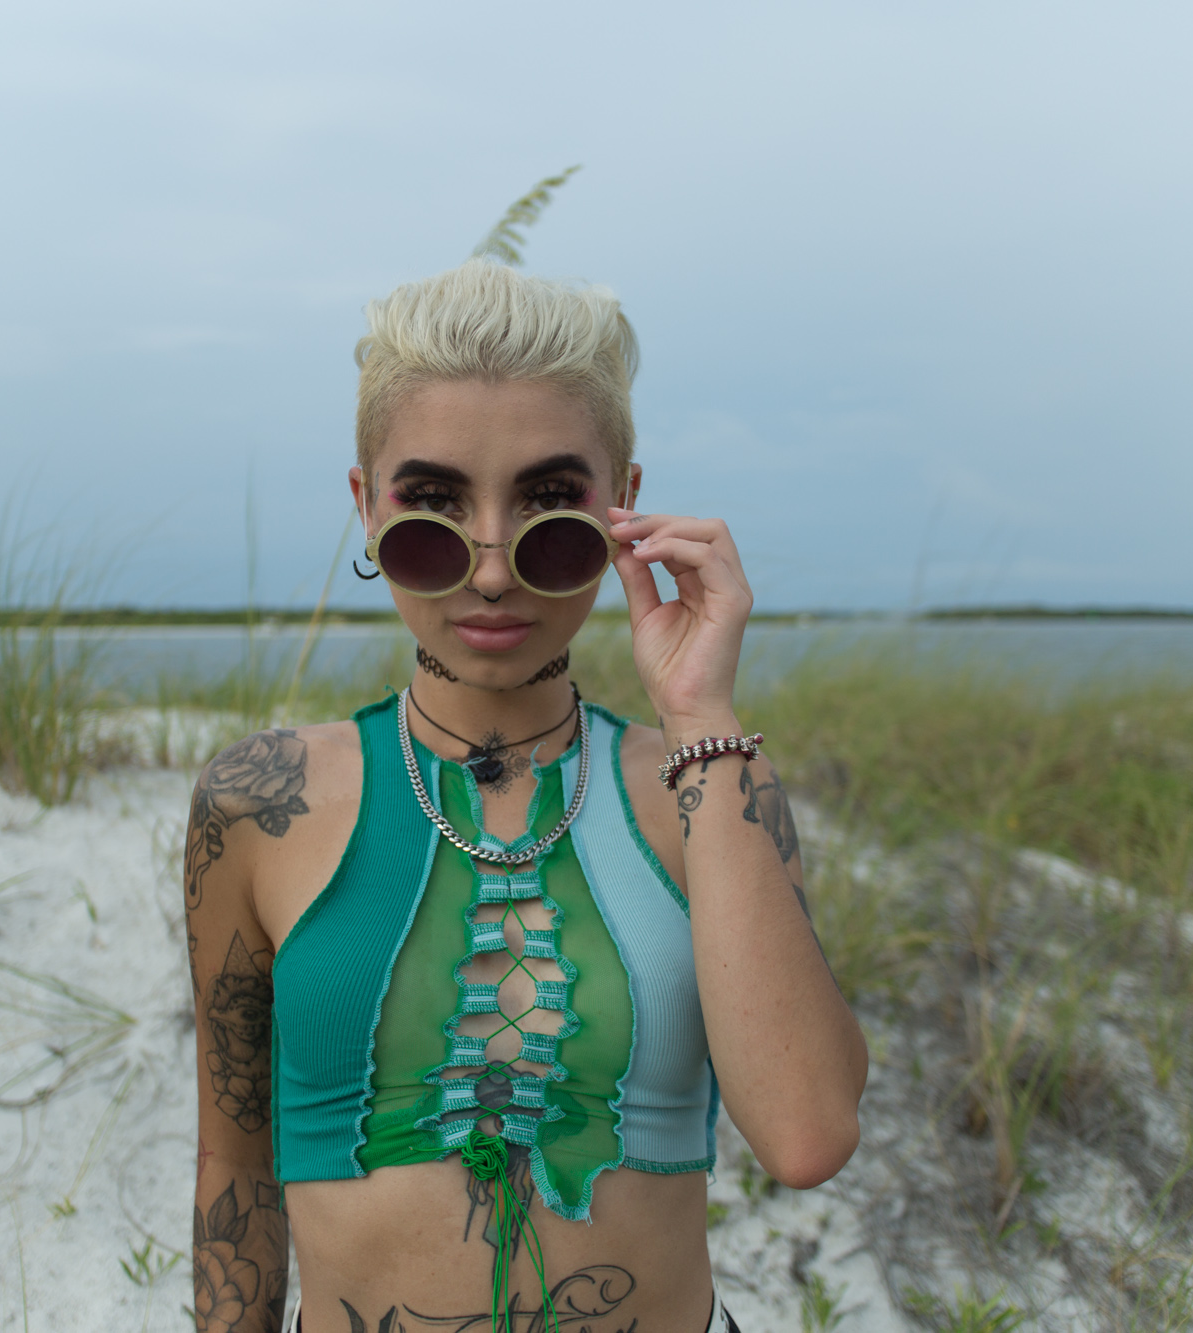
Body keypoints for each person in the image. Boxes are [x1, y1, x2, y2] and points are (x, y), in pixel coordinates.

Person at [186, 260, 867, 1333]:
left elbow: (805, 1133)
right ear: (364, 508)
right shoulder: (258, 802)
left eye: (551, 505)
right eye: (434, 506)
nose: (492, 567)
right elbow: (234, 1164)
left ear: (622, 510)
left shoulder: (699, 786)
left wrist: (698, 715)